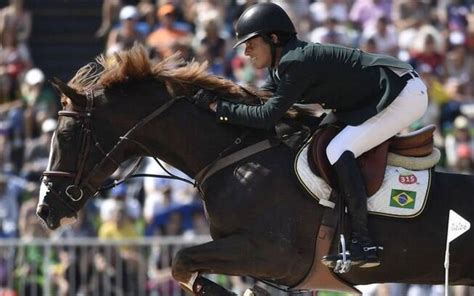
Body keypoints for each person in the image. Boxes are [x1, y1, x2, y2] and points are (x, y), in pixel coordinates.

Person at [189, 2, 428, 268]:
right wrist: (219, 100)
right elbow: (258, 103)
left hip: (401, 93)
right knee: (318, 140)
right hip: (370, 98)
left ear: (274, 38)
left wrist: (217, 107)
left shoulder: (295, 61)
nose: (246, 52)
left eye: (251, 44)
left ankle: (365, 241)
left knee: (337, 150)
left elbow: (268, 116)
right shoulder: (281, 64)